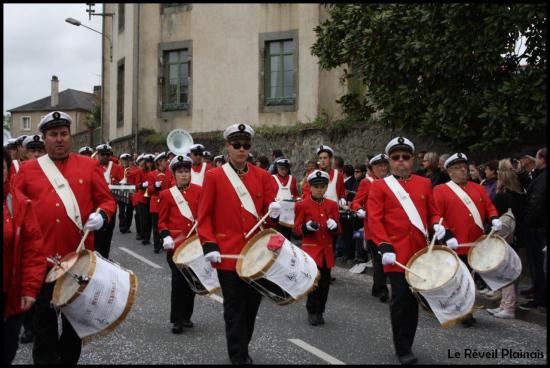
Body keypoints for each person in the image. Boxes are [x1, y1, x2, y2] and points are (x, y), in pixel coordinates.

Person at [13, 110, 116, 365]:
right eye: (53, 134)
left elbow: (106, 200)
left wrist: (102, 214)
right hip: (44, 262)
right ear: (44, 138)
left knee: (73, 327)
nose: (59, 139)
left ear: (70, 136)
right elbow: (13, 207)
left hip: (78, 261)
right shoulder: (27, 170)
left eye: (63, 134)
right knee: (44, 326)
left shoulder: (89, 165)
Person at [197, 122, 278, 365]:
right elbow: (204, 217)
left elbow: (269, 216)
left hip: (256, 255)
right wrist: (209, 245)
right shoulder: (213, 177)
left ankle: (242, 346)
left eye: (246, 145)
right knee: (234, 308)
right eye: (237, 145)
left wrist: (275, 211)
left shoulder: (262, 176)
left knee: (252, 306)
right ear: (227, 147)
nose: (242, 149)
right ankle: (238, 355)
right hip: (227, 255)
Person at [368, 137, 450, 365]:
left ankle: (408, 342)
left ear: (412, 160)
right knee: (401, 299)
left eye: (405, 157)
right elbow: (375, 220)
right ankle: (402, 348)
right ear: (390, 161)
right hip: (395, 255)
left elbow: (432, 212)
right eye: (396, 158)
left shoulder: (424, 184)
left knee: (413, 302)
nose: (401, 162)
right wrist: (384, 246)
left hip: (421, 254)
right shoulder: (380, 186)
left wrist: (437, 225)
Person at [432, 153, 500, 327]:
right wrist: (446, 234)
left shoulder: (478, 188)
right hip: (454, 243)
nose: (463, 170)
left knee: (469, 279)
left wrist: (493, 218)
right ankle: (457, 309)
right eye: (457, 168)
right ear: (449, 172)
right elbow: (436, 216)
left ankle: (465, 311)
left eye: (464, 166)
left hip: (475, 243)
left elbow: (489, 207)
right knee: (456, 280)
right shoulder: (440, 190)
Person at [3, 148, 48, 365]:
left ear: (8, 170)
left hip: (10, 293)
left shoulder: (19, 203)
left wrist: (30, 288)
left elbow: (33, 250)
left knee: (7, 349)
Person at [158, 154, 202, 333]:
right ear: (174, 174)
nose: (184, 175)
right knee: (178, 282)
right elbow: (162, 222)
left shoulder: (199, 190)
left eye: (186, 171)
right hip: (175, 247)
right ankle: (177, 319)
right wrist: (166, 236)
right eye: (180, 172)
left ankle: (187, 316)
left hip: (193, 245)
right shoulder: (166, 194)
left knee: (191, 281)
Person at [294, 170, 341, 326]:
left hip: (326, 252)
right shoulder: (302, 205)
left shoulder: (332, 205)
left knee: (325, 284)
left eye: (322, 186)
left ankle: (320, 311)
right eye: (316, 186)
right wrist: (306, 227)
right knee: (314, 283)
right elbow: (296, 230)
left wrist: (335, 227)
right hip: (312, 252)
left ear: (327, 187)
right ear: (310, 187)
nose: (319, 189)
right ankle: (312, 311)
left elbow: (338, 230)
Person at [486, 159, 526, 319]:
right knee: (512, 270)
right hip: (518, 235)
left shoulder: (502, 197)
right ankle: (506, 304)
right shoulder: (521, 193)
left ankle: (508, 306)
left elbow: (491, 211)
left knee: (504, 270)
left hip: (505, 237)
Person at [350, 153, 391, 303]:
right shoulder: (367, 182)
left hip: (391, 227)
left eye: (385, 164)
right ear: (372, 168)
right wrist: (359, 210)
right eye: (379, 165)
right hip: (373, 227)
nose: (383, 168)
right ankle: (381, 289)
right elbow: (356, 202)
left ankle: (379, 286)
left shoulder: (392, 182)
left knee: (388, 260)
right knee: (379, 260)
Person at [519, 148, 547, 312]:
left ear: (542, 159)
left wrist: (528, 221)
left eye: (537, 157)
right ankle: (538, 294)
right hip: (538, 226)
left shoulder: (542, 178)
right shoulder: (539, 176)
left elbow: (536, 202)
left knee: (538, 264)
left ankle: (540, 298)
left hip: (537, 228)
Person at [95, 143, 124, 259]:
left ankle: (105, 257)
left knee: (108, 233)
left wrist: (117, 184)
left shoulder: (116, 167)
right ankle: (96, 257)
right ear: (98, 155)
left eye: (108, 155)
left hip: (111, 206)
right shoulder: (93, 166)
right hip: (96, 206)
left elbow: (123, 182)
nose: (105, 157)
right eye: (102, 154)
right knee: (96, 234)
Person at [148, 152, 174, 253]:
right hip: (155, 202)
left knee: (166, 224)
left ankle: (165, 243)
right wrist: (155, 186)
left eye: (166, 160)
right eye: (164, 161)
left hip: (166, 202)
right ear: (159, 162)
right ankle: (156, 245)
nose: (166, 162)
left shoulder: (170, 173)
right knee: (156, 226)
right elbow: (149, 190)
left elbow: (172, 185)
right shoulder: (152, 174)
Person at [271, 158, 299, 240]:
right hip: (277, 211)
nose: (283, 171)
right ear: (277, 168)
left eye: (285, 169)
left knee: (287, 235)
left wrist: (297, 199)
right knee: (277, 234)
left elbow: (295, 193)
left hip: (289, 211)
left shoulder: (292, 179)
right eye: (281, 168)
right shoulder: (272, 178)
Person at [118, 153, 134, 233]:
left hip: (130, 192)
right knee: (121, 211)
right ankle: (122, 226)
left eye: (128, 160)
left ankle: (127, 226)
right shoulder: (118, 169)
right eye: (124, 160)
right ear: (121, 160)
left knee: (129, 211)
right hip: (121, 192)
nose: (126, 162)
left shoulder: (132, 169)